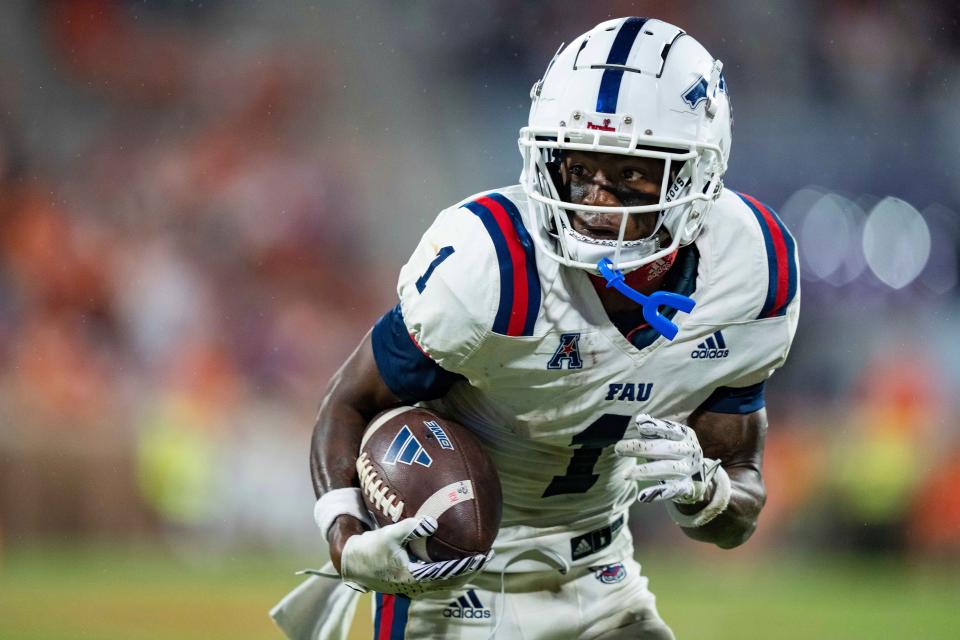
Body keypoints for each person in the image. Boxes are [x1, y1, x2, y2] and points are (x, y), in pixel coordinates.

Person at [277, 16, 799, 640]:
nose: (597, 200)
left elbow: (735, 513)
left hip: (602, 579)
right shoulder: (493, 268)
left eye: (631, 173)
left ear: (696, 177)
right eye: (579, 167)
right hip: (450, 578)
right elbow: (350, 401)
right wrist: (346, 535)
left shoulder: (749, 272)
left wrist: (707, 491)